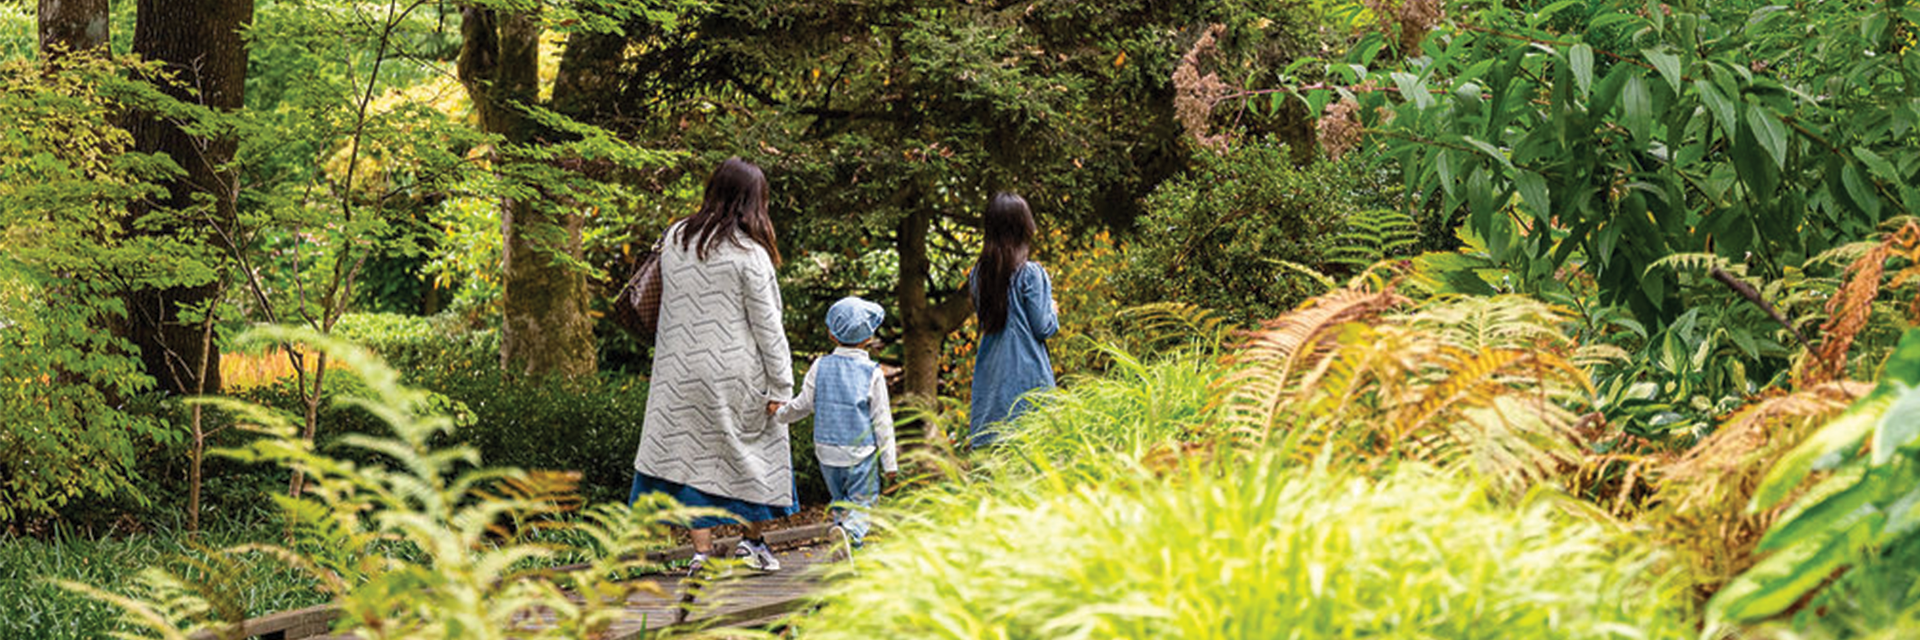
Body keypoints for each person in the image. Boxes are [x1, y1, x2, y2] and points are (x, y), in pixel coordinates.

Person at [629, 157, 796, 575]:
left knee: (689, 458)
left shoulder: (675, 237)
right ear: (751, 202)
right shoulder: (749, 254)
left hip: (677, 372)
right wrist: (782, 386)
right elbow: (769, 328)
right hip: (733, 373)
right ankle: (752, 544)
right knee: (753, 454)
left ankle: (701, 555)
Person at [772, 296, 897, 557]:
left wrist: (779, 414)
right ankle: (849, 535)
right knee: (863, 502)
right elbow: (882, 421)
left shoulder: (820, 365)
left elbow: (803, 405)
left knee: (840, 500)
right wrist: (890, 464)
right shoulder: (872, 372)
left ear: (831, 334)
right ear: (868, 338)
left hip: (826, 450)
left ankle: (847, 548)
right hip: (859, 451)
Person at [967, 192, 1058, 449]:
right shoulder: (1030, 274)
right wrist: (1052, 309)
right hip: (1028, 375)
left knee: (995, 451)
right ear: (1024, 226)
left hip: (992, 377)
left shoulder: (978, 276)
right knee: (1035, 452)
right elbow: (1043, 327)